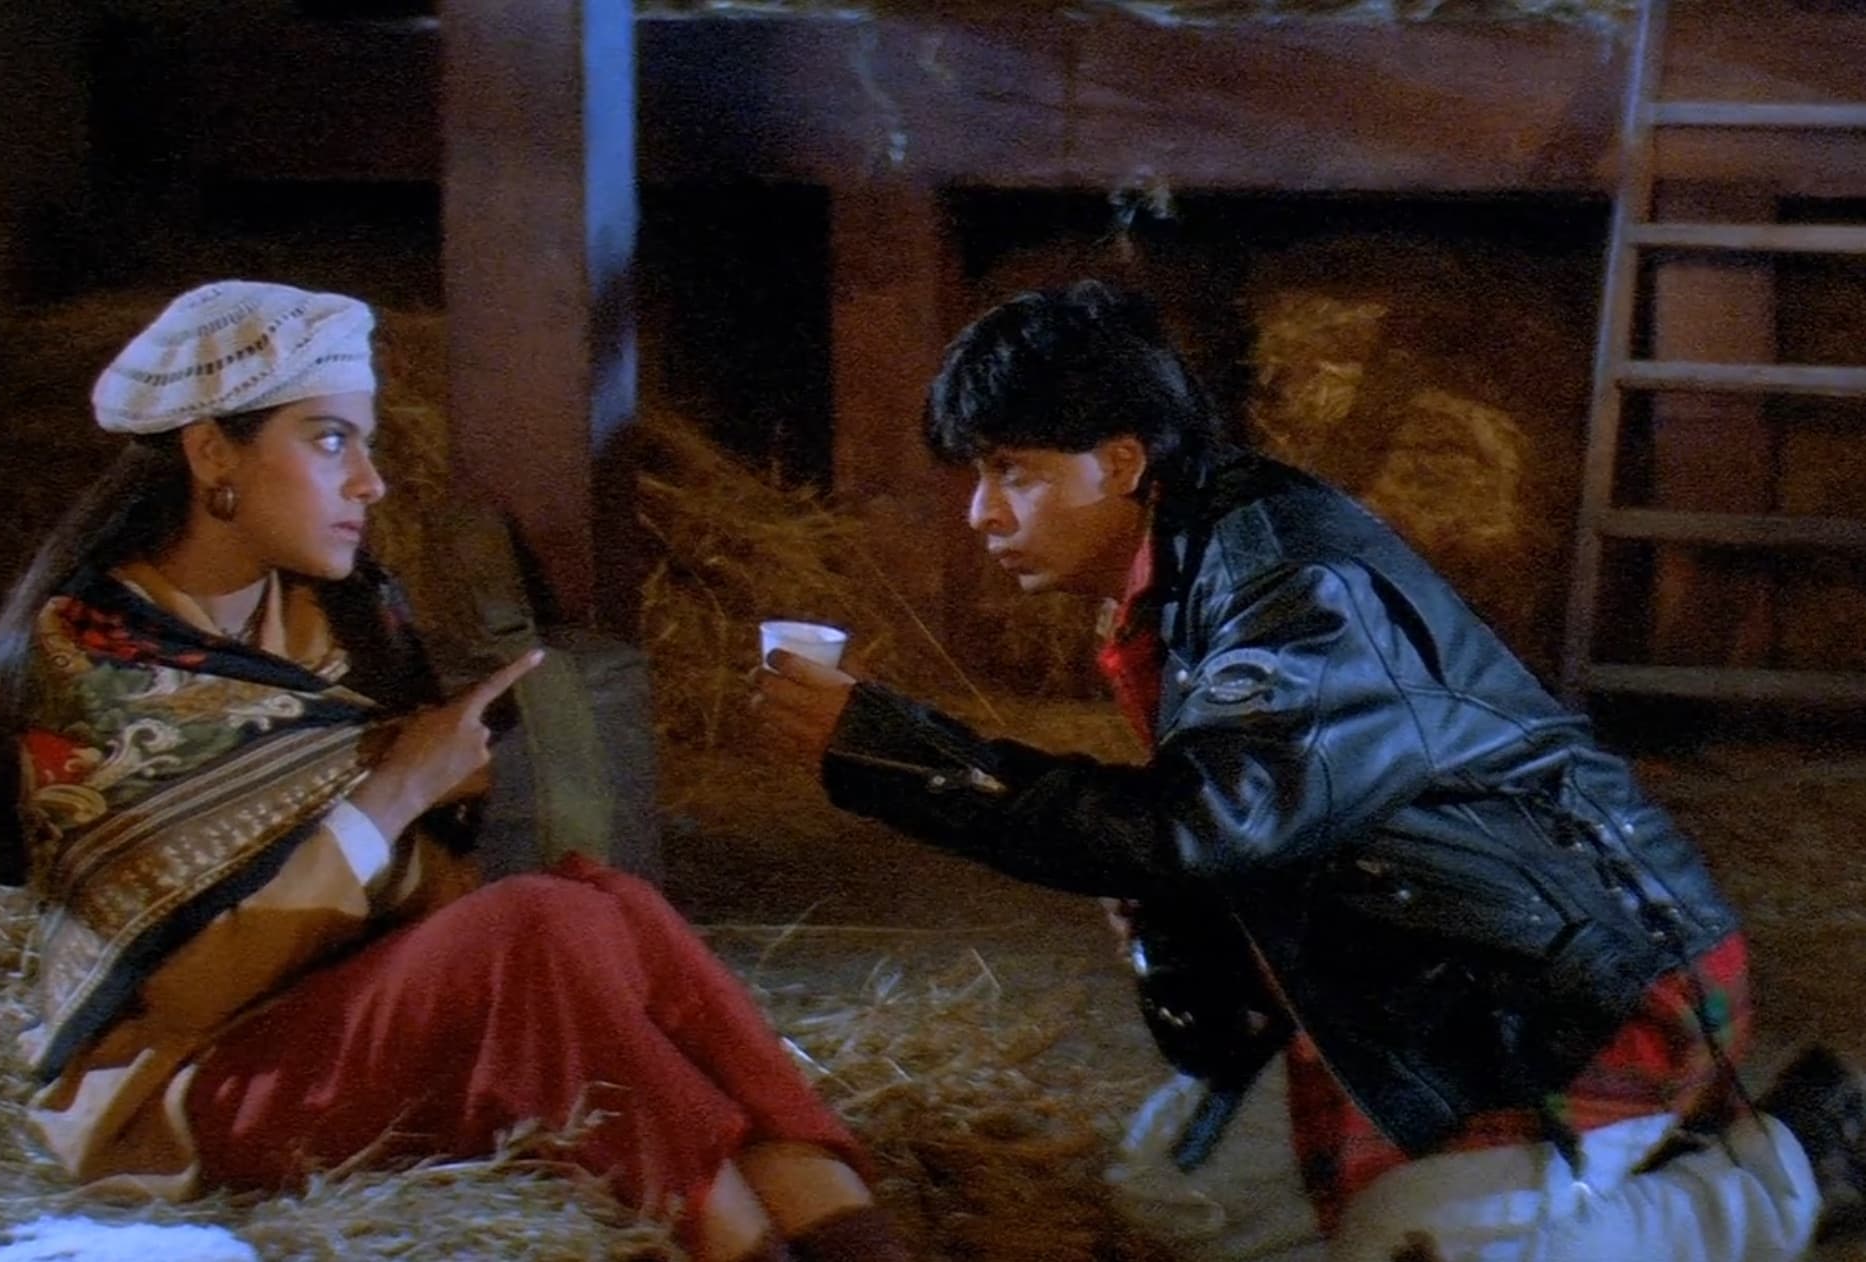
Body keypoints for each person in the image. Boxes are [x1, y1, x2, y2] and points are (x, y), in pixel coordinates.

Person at [750, 279, 1865, 1261]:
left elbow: (1199, 825)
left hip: (1582, 986)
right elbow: (1225, 839)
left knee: (1415, 1251)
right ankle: (1536, 1198)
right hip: (1417, 976)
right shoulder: (1181, 572)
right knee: (1175, 1198)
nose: (981, 512)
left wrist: (893, 752)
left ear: (1122, 461)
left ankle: (1785, 1172)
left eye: (1012, 472)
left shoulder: (1295, 592)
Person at [0, 280, 910, 1262]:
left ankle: (839, 1224)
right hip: (193, 1084)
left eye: (365, 444)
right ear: (211, 452)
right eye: (329, 441)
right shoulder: (92, 657)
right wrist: (396, 791)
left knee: (600, 902)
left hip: (355, 1018)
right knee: (536, 924)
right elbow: (187, 992)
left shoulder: (343, 617)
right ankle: (746, 1242)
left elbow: (431, 909)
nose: (370, 482)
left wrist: (432, 834)